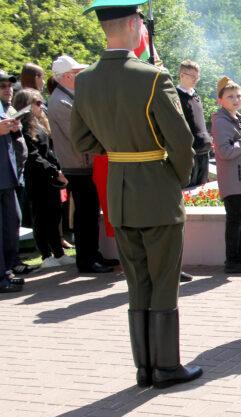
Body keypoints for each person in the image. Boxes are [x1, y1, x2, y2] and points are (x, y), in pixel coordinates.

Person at [71, 0, 202, 387]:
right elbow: (181, 142)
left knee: (137, 281)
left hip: (120, 192)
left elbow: (81, 138)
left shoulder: (85, 80)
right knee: (164, 280)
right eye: (142, 23)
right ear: (133, 24)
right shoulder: (151, 77)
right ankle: (166, 367)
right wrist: (174, 180)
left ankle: (144, 367)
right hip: (156, 191)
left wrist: (120, 150)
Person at [49, 54, 117, 273]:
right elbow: (80, 133)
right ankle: (87, 260)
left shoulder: (67, 97)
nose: (81, 76)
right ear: (68, 76)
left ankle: (93, 255)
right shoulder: (60, 102)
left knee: (88, 212)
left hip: (84, 163)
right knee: (85, 214)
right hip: (78, 165)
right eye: (78, 73)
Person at [13, 88, 73, 268]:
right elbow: (33, 156)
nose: (41, 106)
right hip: (37, 178)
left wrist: (57, 169)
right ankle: (46, 255)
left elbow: (49, 152)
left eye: (41, 102)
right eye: (37, 103)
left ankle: (59, 252)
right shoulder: (23, 126)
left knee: (54, 216)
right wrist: (54, 170)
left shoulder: (40, 124)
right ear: (26, 105)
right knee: (41, 217)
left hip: (49, 177)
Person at [211, 76, 241, 274]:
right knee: (235, 220)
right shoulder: (221, 121)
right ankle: (232, 260)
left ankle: (237, 257)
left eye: (238, 95)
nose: (236, 99)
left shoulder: (240, 119)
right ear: (220, 100)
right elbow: (226, 151)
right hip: (234, 180)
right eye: (230, 96)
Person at [176, 60, 212, 191]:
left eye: (197, 76)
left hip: (204, 149)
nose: (195, 79)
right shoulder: (175, 96)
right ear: (181, 75)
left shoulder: (196, 96)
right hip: (189, 152)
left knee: (202, 189)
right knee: (188, 189)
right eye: (192, 76)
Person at [1, 97, 23, 293]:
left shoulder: (3, 106)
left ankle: (6, 270)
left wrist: (15, 129)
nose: (7, 89)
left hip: (7, 176)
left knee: (12, 222)